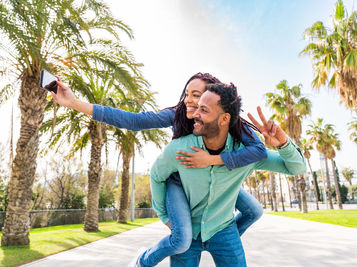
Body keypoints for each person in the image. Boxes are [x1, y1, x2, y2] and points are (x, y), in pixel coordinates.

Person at [52, 73, 267, 266]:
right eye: (187, 94)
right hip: (180, 181)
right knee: (182, 240)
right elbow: (135, 121)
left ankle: (212, 239)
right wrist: (73, 103)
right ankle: (144, 260)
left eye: (197, 95)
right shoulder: (178, 114)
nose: (189, 100)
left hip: (213, 180)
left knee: (254, 211)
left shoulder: (230, 122)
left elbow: (259, 150)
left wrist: (214, 160)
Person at [147, 82, 306, 266]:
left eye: (204, 110)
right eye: (197, 108)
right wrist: (165, 217)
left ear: (224, 119)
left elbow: (297, 168)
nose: (195, 114)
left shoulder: (246, 155)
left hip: (224, 230)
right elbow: (157, 176)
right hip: (189, 234)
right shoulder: (180, 149)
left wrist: (283, 143)